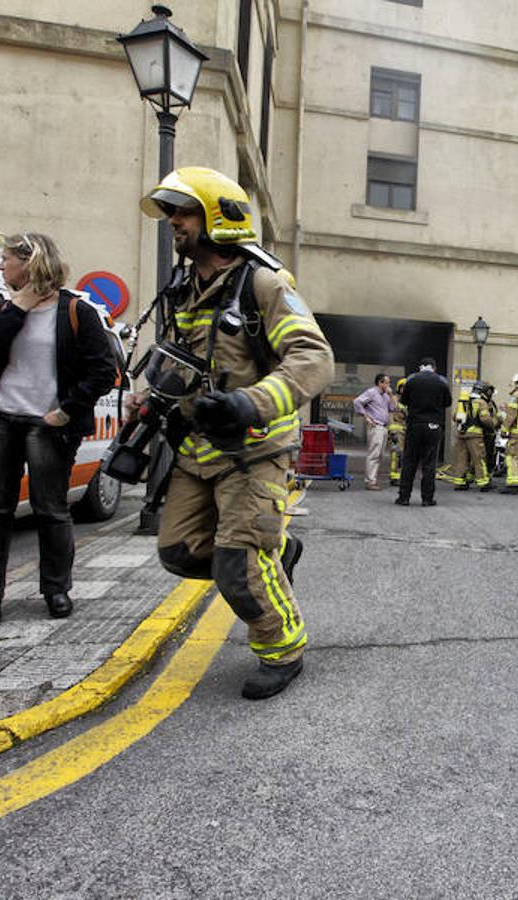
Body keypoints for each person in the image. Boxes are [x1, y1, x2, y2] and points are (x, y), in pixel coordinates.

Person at [137, 166, 334, 698]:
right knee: (178, 550)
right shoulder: (184, 287)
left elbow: (313, 359)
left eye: (182, 211)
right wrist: (153, 398)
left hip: (255, 451)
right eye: (170, 212)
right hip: (197, 449)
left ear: (217, 217)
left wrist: (251, 402)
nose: (173, 222)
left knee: (237, 564)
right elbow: (185, 360)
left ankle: (283, 648)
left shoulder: (263, 284)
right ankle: (275, 553)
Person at [0, 233, 119, 628]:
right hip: (0, 417)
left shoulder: (75, 311)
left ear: (29, 262)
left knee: (50, 509)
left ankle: (55, 590)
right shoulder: (5, 307)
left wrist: (67, 411)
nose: (1, 267)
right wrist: (17, 308)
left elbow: (103, 370)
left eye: (7, 260)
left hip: (48, 424)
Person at [395, 358, 453, 507]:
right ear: (434, 367)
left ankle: (404, 497)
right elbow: (448, 402)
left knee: (409, 461)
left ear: (421, 367)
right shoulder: (441, 381)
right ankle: (427, 499)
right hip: (433, 425)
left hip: (415, 424)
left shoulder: (412, 380)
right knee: (429, 463)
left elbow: (404, 401)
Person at [450, 384, 498, 491]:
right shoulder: (481, 402)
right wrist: (494, 423)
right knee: (479, 458)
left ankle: (459, 483)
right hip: (475, 435)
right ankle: (483, 483)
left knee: (461, 459)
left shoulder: (463, 401)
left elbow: (454, 417)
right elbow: (485, 419)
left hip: (461, 434)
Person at [353, 372, 396, 490]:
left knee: (380, 455)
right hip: (375, 426)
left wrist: (391, 395)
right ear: (380, 382)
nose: (388, 385)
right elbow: (357, 402)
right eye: (387, 382)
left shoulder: (386, 395)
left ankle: (373, 479)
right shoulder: (371, 392)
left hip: (384, 427)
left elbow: (393, 408)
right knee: (374, 454)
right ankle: (370, 481)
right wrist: (366, 417)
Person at [387, 377, 406, 486]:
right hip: (396, 432)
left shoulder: (411, 400)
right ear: (399, 388)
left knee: (404, 455)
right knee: (396, 454)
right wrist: (392, 431)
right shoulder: (394, 399)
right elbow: (389, 415)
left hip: (406, 432)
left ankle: (401, 475)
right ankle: (394, 476)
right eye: (403, 387)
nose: (405, 390)